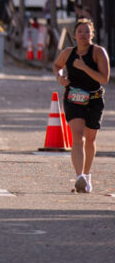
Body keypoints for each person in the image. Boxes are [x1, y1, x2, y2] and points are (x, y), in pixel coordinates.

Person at [53, 18, 110, 193]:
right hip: (73, 99)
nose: (84, 35)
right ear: (74, 35)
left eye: (87, 31)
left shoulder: (98, 53)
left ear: (92, 34)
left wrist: (84, 67)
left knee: (90, 140)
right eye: (80, 32)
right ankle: (79, 177)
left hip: (94, 99)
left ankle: (87, 174)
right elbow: (57, 66)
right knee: (77, 137)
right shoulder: (68, 52)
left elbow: (104, 79)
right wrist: (60, 77)